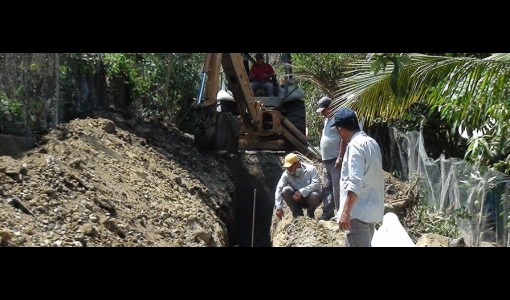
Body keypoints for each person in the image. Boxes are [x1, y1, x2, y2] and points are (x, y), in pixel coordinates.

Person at [330, 108, 384, 247]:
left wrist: (346, 212)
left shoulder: (355, 146)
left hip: (357, 213)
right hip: (371, 211)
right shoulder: (371, 143)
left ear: (341, 129)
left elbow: (355, 182)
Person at [316, 96, 347, 221]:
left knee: (337, 187)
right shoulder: (327, 120)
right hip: (326, 160)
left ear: (330, 108)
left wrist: (340, 157)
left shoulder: (337, 119)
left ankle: (340, 212)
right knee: (327, 186)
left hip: (335, 160)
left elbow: (343, 139)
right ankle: (328, 212)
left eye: (324, 110)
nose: (323, 113)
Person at [274, 153, 322, 219]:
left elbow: (316, 184)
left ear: (297, 164)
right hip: (297, 199)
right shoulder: (286, 174)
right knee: (285, 190)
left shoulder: (311, 169)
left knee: (315, 195)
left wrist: (301, 191)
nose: (289, 169)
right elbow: (279, 188)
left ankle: (310, 214)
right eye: (287, 167)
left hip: (311, 198)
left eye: (290, 167)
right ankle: (297, 215)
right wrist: (278, 207)